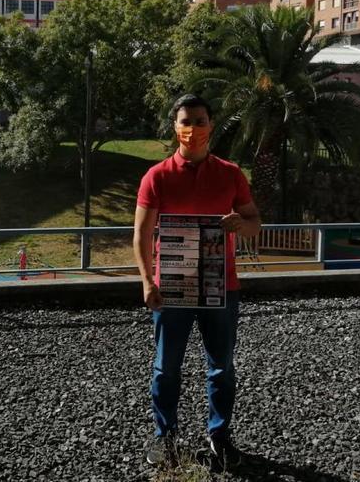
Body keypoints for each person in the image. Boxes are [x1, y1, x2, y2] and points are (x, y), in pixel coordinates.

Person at [133, 94, 261, 467]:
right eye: (186, 122)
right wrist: (146, 281)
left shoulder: (231, 173)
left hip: (222, 288)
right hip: (171, 289)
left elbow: (255, 223)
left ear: (212, 125)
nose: (193, 130)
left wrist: (242, 224)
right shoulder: (156, 176)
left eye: (200, 121)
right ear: (175, 127)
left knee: (221, 366)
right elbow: (141, 235)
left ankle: (219, 436)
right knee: (165, 366)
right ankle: (165, 437)